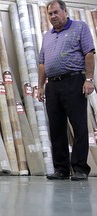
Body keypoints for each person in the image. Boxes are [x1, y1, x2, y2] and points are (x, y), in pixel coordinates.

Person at [38, 0, 95, 181]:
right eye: (50, 14)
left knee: (78, 126)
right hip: (52, 86)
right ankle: (61, 169)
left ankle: (80, 169)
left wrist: (89, 79)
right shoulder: (47, 36)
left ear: (65, 11)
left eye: (56, 12)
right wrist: (40, 86)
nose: (53, 16)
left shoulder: (80, 27)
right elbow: (42, 63)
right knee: (56, 128)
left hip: (74, 81)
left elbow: (89, 53)